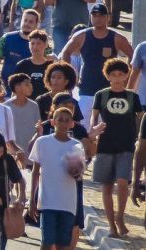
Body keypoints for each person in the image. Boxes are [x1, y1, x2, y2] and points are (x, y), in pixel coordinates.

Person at [88, 58, 141, 237]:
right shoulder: (101, 95)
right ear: (108, 76)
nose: (117, 78)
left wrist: (140, 138)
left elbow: (140, 118)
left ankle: (120, 217)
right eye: (113, 75)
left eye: (121, 74)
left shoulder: (133, 96)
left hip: (126, 144)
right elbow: (93, 118)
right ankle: (111, 225)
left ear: (126, 75)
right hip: (105, 144)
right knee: (107, 185)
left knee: (123, 181)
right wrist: (93, 132)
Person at [29, 108, 89, 250]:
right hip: (47, 202)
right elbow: (35, 171)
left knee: (63, 244)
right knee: (47, 243)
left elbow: (80, 174)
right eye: (59, 120)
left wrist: (76, 171)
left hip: (68, 203)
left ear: (72, 124)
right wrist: (31, 200)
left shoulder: (76, 145)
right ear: (52, 122)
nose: (63, 123)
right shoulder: (42, 142)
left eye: (67, 120)